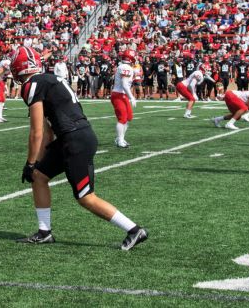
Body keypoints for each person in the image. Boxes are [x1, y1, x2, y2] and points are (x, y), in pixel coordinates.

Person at [8, 44, 148, 250]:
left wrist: (29, 162)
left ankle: (134, 230)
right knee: (39, 176)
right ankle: (44, 232)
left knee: (85, 197)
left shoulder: (33, 84)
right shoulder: (49, 79)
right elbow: (47, 133)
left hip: (74, 139)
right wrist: (36, 163)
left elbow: (37, 132)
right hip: (74, 137)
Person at [109, 50, 138, 147]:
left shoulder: (124, 67)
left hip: (122, 94)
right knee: (122, 118)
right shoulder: (126, 67)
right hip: (119, 94)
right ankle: (120, 140)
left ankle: (120, 138)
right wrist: (132, 97)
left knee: (128, 117)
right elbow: (125, 84)